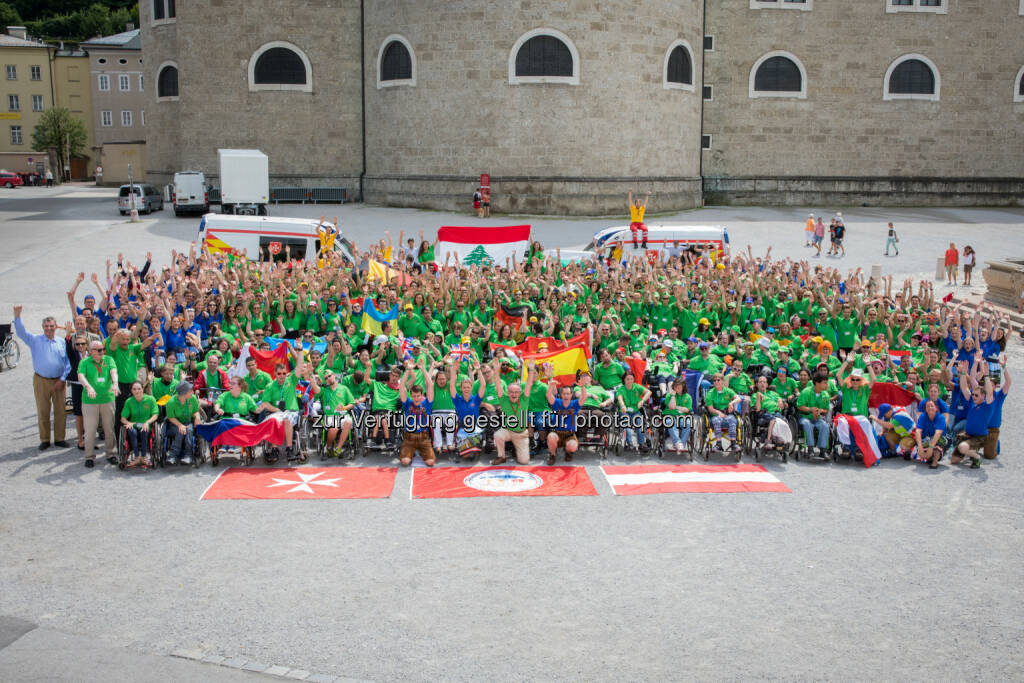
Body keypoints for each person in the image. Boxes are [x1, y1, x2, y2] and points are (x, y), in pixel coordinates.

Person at [13, 306, 72, 450]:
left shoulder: (61, 342)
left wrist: (63, 379)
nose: (49, 328)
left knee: (60, 411)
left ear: (55, 327)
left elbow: (67, 363)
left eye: (52, 326)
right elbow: (21, 332)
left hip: (59, 380)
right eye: (46, 326)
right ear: (42, 327)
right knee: (43, 410)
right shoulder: (35, 340)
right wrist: (17, 316)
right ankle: (45, 439)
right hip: (41, 380)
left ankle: (59, 438)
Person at [78, 339, 119, 468]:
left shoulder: (108, 360)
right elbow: (81, 376)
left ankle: (111, 454)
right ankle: (89, 456)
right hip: (90, 401)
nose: (102, 352)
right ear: (91, 352)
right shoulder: (84, 362)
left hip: (107, 398)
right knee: (90, 430)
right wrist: (88, 387)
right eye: (99, 350)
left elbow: (113, 372)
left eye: (103, 349)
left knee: (109, 428)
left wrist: (115, 383)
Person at [492, 360, 535, 465]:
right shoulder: (504, 399)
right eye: (511, 392)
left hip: (521, 434)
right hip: (508, 430)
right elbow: (497, 384)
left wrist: (531, 369)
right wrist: (496, 371)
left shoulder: (524, 399)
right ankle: (501, 456)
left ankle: (516, 450)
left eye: (516, 392)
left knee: (524, 461)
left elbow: (529, 383)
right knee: (497, 435)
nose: (514, 394)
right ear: (508, 392)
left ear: (520, 393)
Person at [398, 358, 435, 467]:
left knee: (431, 462)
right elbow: (402, 385)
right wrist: (408, 369)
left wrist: (423, 369)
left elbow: (430, 385)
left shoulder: (427, 403)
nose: (416, 398)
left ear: (421, 395)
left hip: (423, 436)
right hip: (409, 436)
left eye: (418, 396)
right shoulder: (408, 403)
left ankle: (417, 450)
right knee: (405, 462)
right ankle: (412, 451)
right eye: (414, 396)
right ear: (411, 396)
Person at [545, 376, 586, 465]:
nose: (566, 396)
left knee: (573, 446)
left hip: (569, 434)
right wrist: (551, 386)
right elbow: (549, 396)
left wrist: (582, 387)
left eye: (568, 394)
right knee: (551, 437)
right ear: (561, 395)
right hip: (557, 433)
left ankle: (568, 453)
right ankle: (552, 455)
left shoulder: (574, 404)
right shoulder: (557, 403)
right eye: (564, 394)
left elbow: (583, 398)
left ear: (571, 395)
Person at [120, 380, 159, 468]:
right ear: (131, 391)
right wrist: (128, 423)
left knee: (144, 431)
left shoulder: (150, 399)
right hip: (134, 425)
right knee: (132, 432)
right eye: (134, 389)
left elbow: (155, 415)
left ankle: (144, 457)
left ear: (143, 389)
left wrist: (147, 422)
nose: (137, 391)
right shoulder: (129, 401)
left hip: (146, 426)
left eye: (139, 389)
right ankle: (137, 457)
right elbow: (123, 418)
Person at [164, 381, 201, 466]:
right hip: (175, 423)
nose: (192, 392)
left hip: (188, 421)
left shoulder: (193, 398)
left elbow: (196, 411)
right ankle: (172, 455)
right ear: (184, 393)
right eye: (190, 390)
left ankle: (188, 455)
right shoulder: (171, 402)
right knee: (180, 431)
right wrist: (180, 425)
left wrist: (197, 417)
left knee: (189, 430)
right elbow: (170, 417)